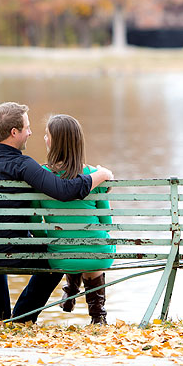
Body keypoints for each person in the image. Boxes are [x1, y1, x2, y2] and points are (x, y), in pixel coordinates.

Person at [0, 102, 113, 325]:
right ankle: (23, 317)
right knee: (54, 258)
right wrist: (101, 175)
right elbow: (65, 191)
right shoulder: (23, 164)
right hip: (14, 247)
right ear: (14, 132)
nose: (30, 132)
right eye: (27, 128)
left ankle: (0, 319)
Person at [32, 113, 115, 325]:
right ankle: (98, 316)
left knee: (71, 245)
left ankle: (71, 288)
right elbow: (107, 223)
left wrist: (48, 237)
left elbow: (35, 224)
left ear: (55, 142)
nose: (44, 138)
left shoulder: (41, 176)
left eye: (47, 135)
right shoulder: (94, 175)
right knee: (92, 247)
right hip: (98, 255)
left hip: (60, 257)